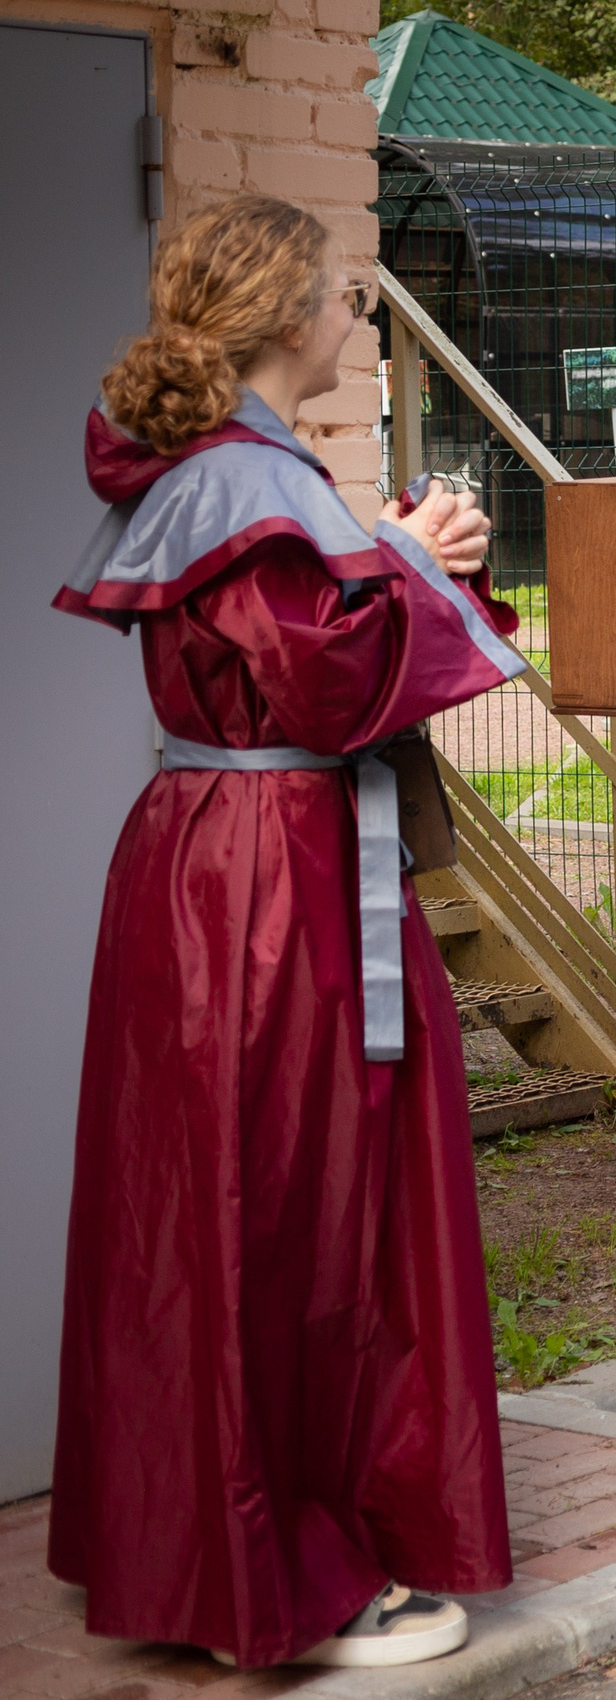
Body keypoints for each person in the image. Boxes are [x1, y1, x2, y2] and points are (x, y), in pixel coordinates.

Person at [50, 196, 521, 1668]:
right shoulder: (245, 481)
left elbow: (303, 643)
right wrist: (417, 560)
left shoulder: (225, 472)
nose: (356, 321)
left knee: (216, 1202)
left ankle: (201, 1547)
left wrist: (400, 554)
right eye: (347, 297)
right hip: (272, 883)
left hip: (221, 865)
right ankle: (283, 1575)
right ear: (285, 314)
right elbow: (320, 683)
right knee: (289, 1207)